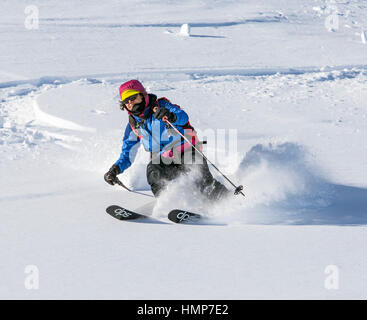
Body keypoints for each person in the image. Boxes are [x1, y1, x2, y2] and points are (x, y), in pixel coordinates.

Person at [104, 79, 229, 200]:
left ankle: (228, 200)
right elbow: (127, 154)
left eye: (133, 98)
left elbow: (183, 117)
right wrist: (115, 169)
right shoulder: (133, 126)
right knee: (153, 171)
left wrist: (170, 115)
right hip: (164, 160)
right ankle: (170, 203)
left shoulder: (161, 106)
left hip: (187, 152)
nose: (130, 103)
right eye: (126, 101)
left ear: (142, 96)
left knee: (203, 183)